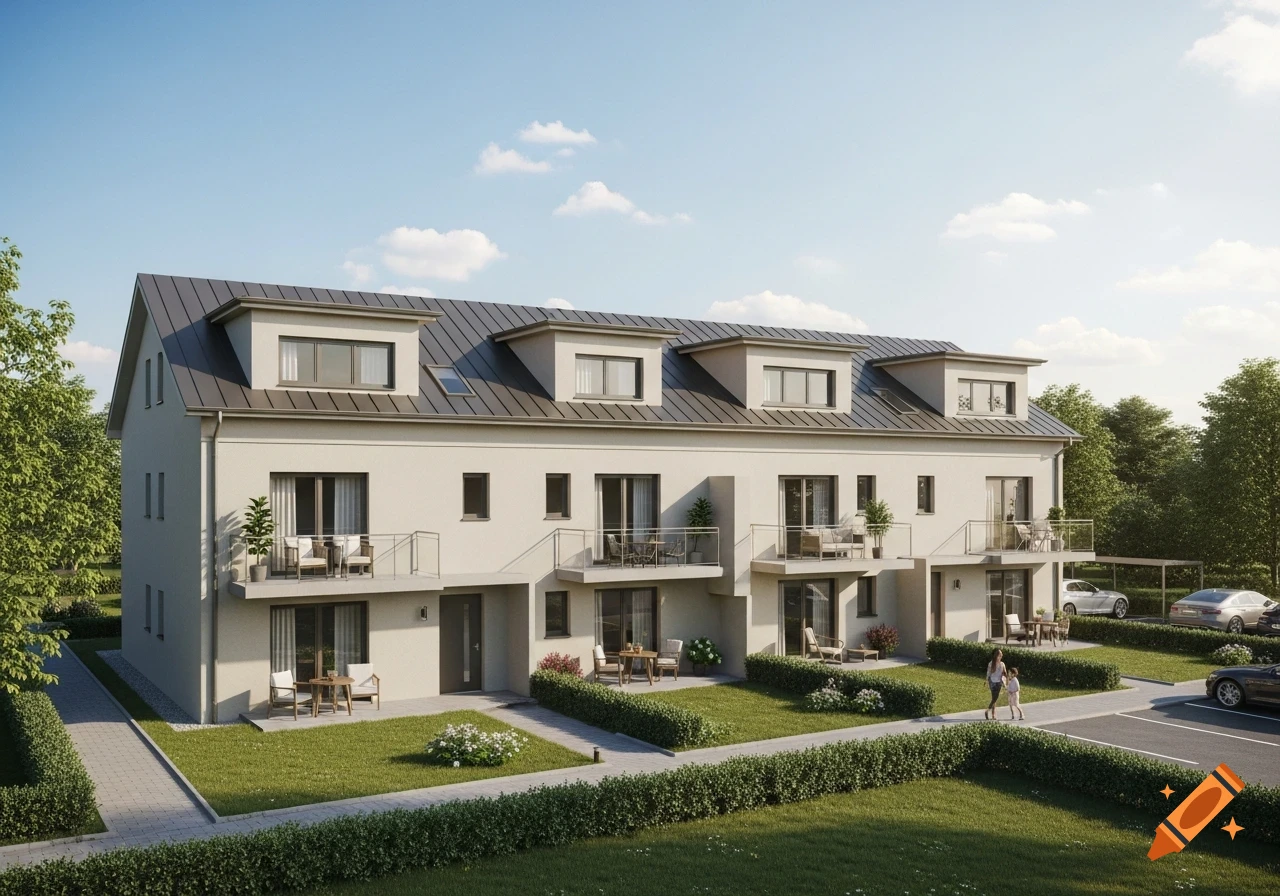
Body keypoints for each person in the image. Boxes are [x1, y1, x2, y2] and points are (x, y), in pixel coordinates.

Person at [985, 648, 1006, 720]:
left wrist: (1005, 682)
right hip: (993, 682)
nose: (1001, 656)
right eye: (1000, 655)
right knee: (995, 698)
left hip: (999, 682)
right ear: (996, 656)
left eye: (1001, 655)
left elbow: (1004, 674)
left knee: (994, 699)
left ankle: (992, 714)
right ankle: (988, 711)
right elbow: (988, 673)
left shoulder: (1002, 664)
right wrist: (987, 681)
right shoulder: (991, 664)